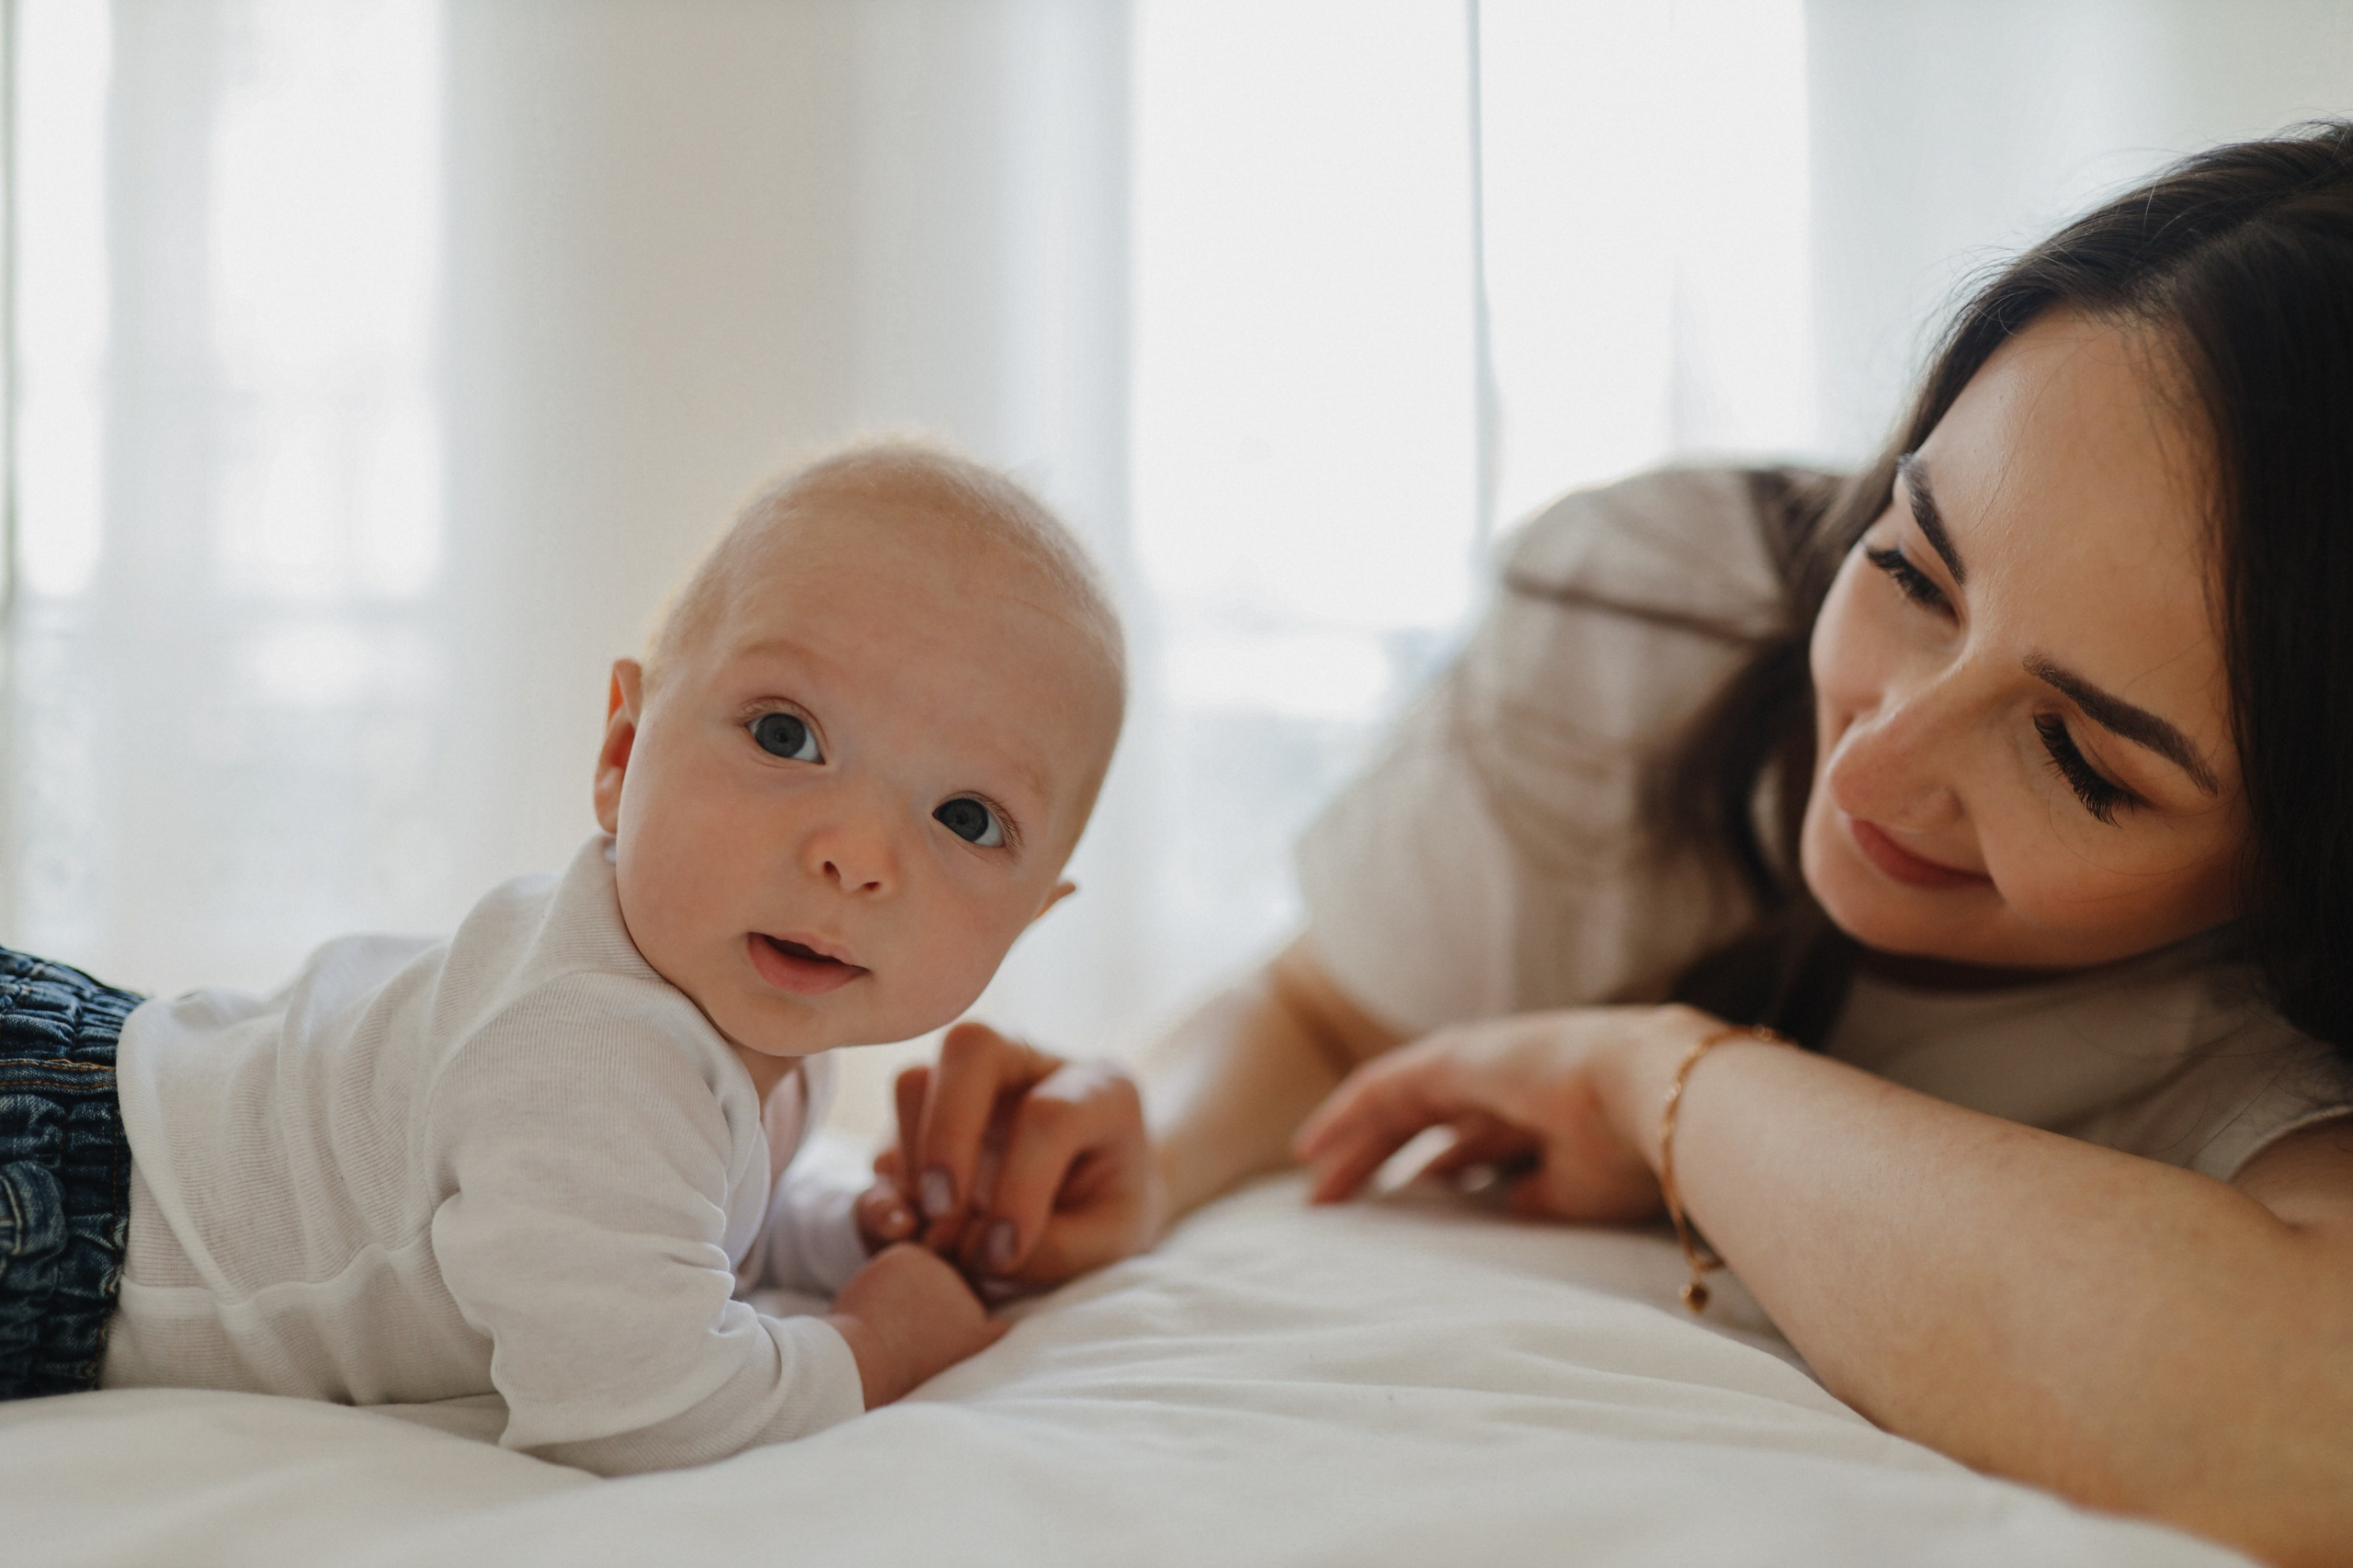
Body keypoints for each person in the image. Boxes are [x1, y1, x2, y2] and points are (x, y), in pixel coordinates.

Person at [867, 126, 2353, 1563]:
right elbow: (1334, 1005)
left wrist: (1665, 1080)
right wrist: (1146, 1136)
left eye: (2080, 758)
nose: (1881, 753)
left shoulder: (2272, 1053)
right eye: (1910, 567)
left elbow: (2309, 1432)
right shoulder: (1668, 620)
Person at [0, 443, 1128, 1476]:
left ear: (1029, 916)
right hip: (58, 1200)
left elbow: (703, 1209)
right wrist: (875, 1345)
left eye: (967, 817)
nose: (856, 854)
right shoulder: (598, 1045)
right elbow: (639, 1404)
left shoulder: (755, 1021)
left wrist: (853, 1223)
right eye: (786, 734)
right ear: (622, 752)